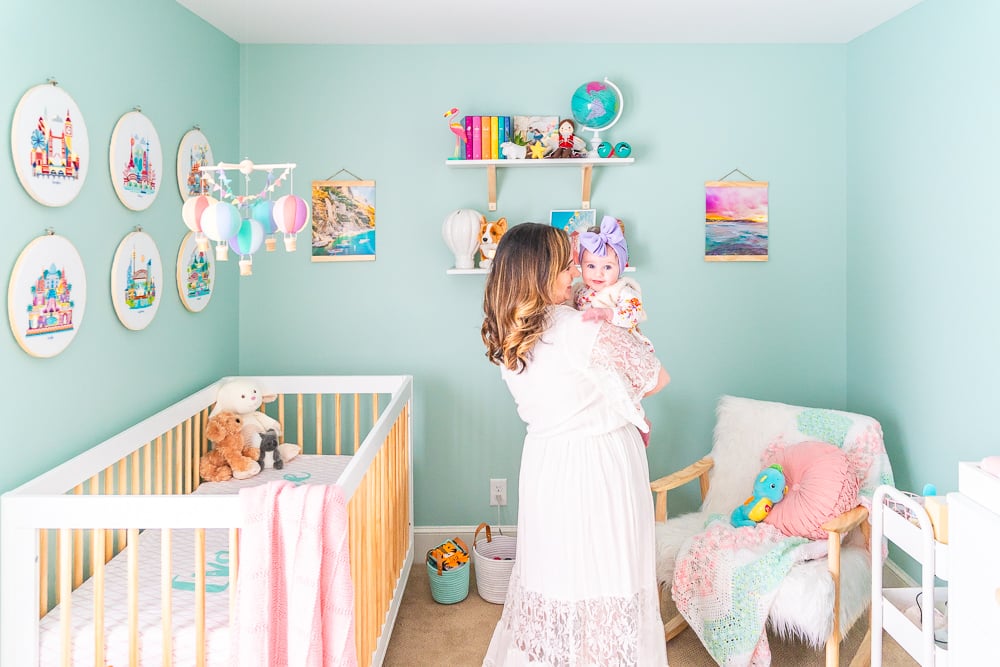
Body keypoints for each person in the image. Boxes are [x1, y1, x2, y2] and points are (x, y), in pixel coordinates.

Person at [480, 222, 670, 666]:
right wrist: (620, 330)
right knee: (608, 580)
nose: (576, 272)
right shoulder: (579, 328)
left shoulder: (510, 333)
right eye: (567, 264)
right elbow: (657, 378)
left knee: (556, 579)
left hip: (547, 466)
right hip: (599, 467)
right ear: (542, 272)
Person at [574, 214, 656, 446]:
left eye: (607, 267)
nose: (598, 274)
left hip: (622, 348)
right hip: (596, 350)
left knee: (624, 390)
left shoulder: (623, 290)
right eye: (590, 266)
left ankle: (641, 421)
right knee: (602, 390)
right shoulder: (581, 291)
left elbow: (633, 313)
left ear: (621, 267)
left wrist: (608, 314)